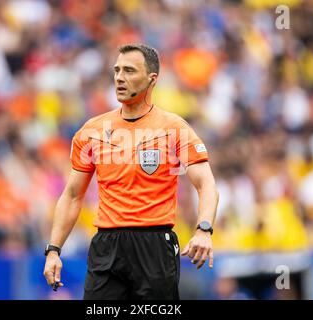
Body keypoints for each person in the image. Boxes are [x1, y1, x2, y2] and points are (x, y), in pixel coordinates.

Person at [43, 43, 219, 300]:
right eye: (116, 70)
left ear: (152, 79)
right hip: (107, 246)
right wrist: (53, 250)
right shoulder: (92, 130)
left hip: (155, 245)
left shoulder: (174, 128)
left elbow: (207, 185)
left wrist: (204, 230)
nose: (119, 78)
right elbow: (71, 195)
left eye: (129, 71)